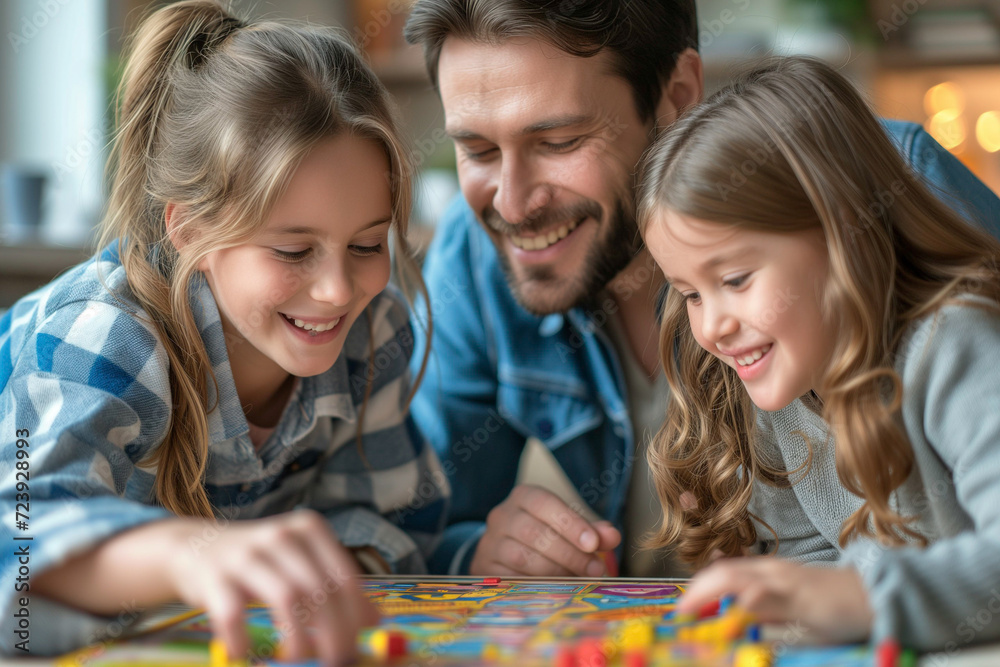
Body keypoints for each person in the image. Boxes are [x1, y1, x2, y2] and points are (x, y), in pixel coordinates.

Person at [402, 0, 1000, 579]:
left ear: (678, 94)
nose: (510, 202)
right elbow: (417, 524)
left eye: (559, 142)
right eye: (476, 149)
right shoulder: (478, 250)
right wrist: (475, 550)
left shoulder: (880, 186)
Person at [0, 1, 448, 660]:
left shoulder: (371, 330)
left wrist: (323, 567)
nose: (337, 290)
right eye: (294, 251)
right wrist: (190, 555)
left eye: (367, 243)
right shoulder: (102, 335)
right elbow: (22, 544)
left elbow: (396, 522)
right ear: (190, 231)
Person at [637, 55, 1000, 651]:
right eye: (689, 295)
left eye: (734, 280)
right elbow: (813, 561)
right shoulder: (782, 373)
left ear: (843, 236)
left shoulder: (954, 345)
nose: (713, 328)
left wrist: (864, 600)